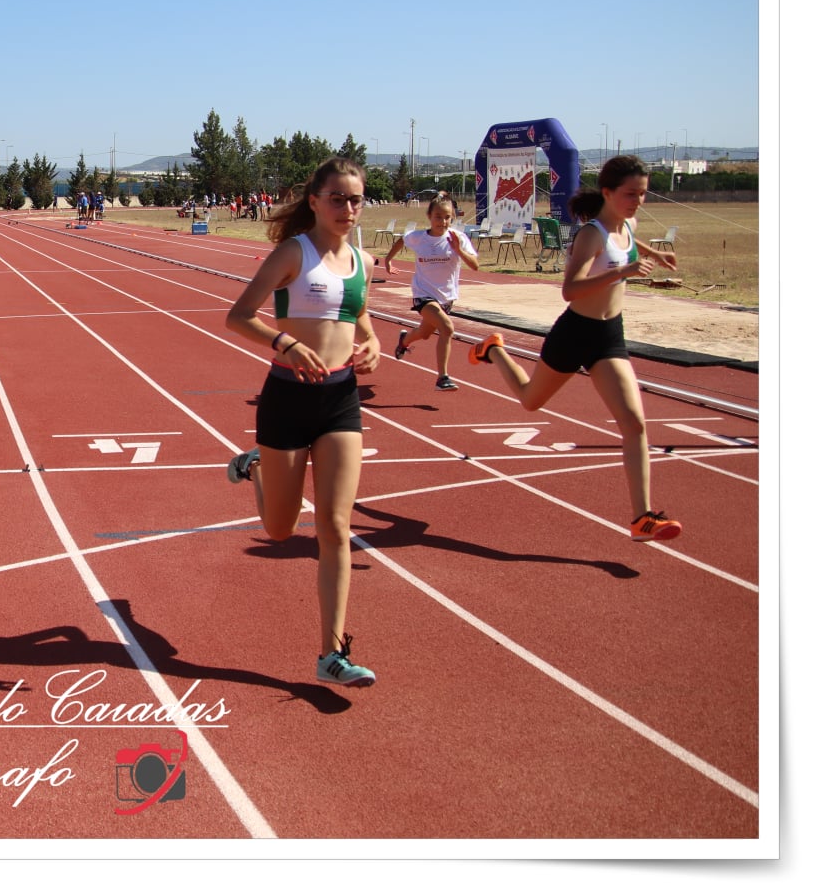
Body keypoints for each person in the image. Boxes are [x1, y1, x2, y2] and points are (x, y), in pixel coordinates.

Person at [223, 156, 382, 688]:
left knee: (337, 528)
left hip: (341, 400)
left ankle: (331, 653)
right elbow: (239, 315)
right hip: (287, 398)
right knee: (281, 529)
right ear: (314, 200)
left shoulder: (360, 259)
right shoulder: (294, 252)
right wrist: (285, 342)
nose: (348, 208)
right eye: (337, 198)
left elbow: (358, 314)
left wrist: (374, 341)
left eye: (356, 199)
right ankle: (258, 470)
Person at [468, 155, 683, 542]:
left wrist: (653, 255)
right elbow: (570, 289)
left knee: (634, 423)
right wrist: (623, 272)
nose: (638, 201)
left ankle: (642, 517)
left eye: (643, 194)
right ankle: (495, 349)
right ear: (607, 193)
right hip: (575, 332)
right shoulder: (592, 235)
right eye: (630, 194)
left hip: (608, 336)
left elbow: (632, 244)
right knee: (530, 401)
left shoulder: (628, 225)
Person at [383, 192, 478, 390]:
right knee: (447, 328)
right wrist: (388, 260)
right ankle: (442, 378)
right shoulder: (419, 238)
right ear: (429, 216)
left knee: (425, 333)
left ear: (452, 218)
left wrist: (459, 250)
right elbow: (402, 240)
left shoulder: (458, 238)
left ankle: (404, 341)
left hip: (446, 297)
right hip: (423, 294)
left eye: (447, 217)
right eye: (438, 217)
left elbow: (475, 265)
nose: (442, 221)